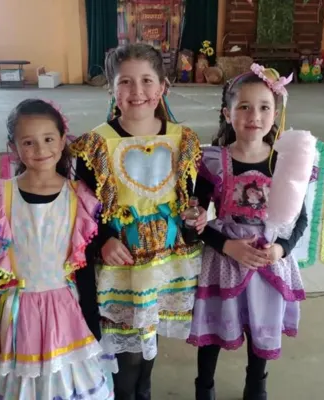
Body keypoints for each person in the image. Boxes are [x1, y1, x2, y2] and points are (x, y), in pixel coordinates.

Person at [70, 43, 207, 400]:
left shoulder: (183, 139)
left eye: (147, 80)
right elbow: (82, 207)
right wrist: (103, 239)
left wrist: (198, 213)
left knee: (149, 350)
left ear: (163, 86)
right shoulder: (97, 144)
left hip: (166, 262)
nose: (137, 91)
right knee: (127, 358)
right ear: (112, 88)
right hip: (122, 264)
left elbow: (193, 194)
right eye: (126, 82)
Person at [0, 99, 116, 399]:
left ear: (62, 140)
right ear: (13, 147)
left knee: (65, 383)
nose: (41, 149)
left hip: (67, 316)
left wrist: (92, 322)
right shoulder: (2, 199)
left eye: (48, 139)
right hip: (15, 318)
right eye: (28, 142)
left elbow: (84, 270)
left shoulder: (79, 198)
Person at [187, 65, 309, 400]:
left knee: (261, 330)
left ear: (275, 114)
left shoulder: (287, 164)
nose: (254, 115)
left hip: (268, 262)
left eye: (264, 107)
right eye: (244, 106)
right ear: (227, 114)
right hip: (224, 260)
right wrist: (226, 244)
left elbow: (300, 219)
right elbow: (195, 219)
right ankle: (204, 387)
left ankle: (256, 386)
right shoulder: (213, 162)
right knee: (213, 330)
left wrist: (280, 250)